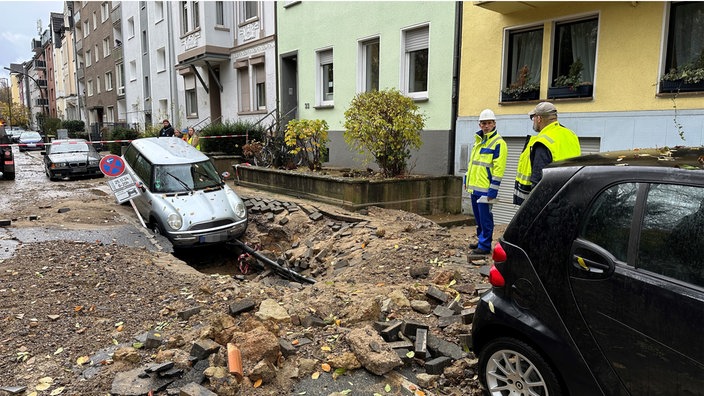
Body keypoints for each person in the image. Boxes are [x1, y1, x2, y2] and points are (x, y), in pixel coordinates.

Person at [513, 102, 581, 205]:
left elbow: (539, 182)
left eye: (533, 118)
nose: (533, 121)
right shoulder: (571, 135)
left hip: (548, 204)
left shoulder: (543, 141)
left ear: (539, 118)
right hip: (569, 198)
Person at [466, 109, 507, 258]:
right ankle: (481, 240)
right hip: (475, 188)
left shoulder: (498, 143)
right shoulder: (479, 141)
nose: (486, 126)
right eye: (483, 123)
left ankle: (484, 245)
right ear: (480, 124)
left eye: (489, 123)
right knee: (478, 219)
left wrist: (493, 190)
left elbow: (498, 169)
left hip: (485, 189)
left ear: (494, 123)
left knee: (485, 218)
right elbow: (473, 165)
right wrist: (467, 180)